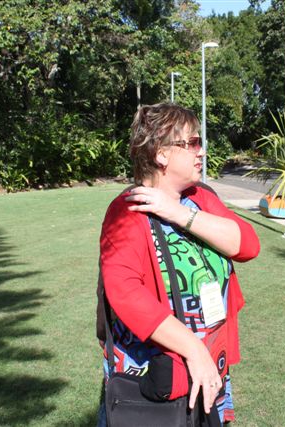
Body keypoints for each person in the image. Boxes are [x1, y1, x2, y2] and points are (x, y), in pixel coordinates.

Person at [97, 103, 260, 425]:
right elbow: (125, 294)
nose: (202, 151)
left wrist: (179, 213)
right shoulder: (128, 211)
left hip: (209, 367)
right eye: (193, 143)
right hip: (156, 378)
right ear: (161, 154)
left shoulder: (200, 198)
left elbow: (247, 245)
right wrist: (193, 350)